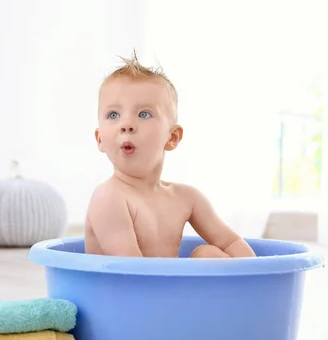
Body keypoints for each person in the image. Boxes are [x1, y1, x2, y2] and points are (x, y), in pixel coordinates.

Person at [84, 52, 256, 259]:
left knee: (208, 255)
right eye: (113, 115)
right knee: (205, 258)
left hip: (161, 287)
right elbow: (130, 273)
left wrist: (258, 274)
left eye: (144, 114)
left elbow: (231, 242)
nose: (126, 124)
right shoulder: (109, 197)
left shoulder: (187, 198)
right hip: (126, 289)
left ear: (172, 137)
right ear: (100, 139)